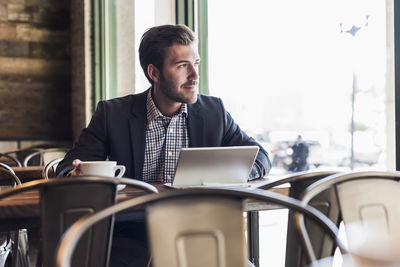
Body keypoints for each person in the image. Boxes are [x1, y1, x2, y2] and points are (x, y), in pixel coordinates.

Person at [57, 24, 271, 267]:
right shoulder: (112, 114)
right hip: (130, 236)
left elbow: (261, 156)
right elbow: (67, 167)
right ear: (154, 73)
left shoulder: (215, 112)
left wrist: (235, 174)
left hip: (198, 232)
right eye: (182, 66)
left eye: (196, 64)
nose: (194, 75)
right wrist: (74, 174)